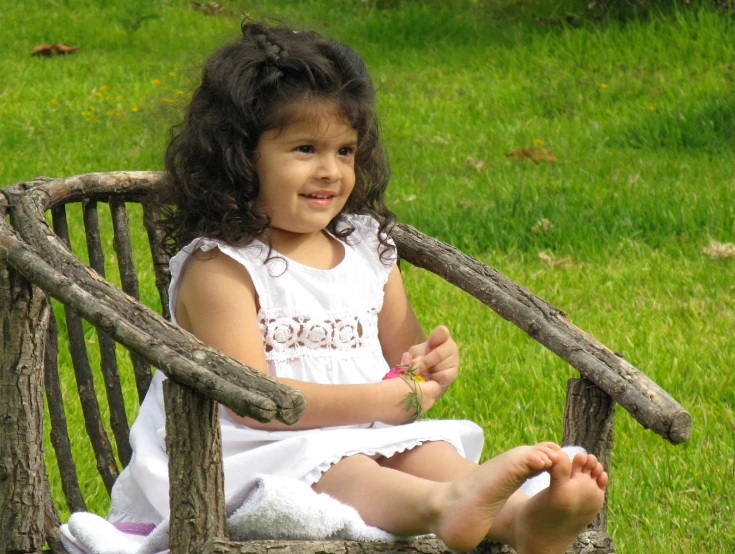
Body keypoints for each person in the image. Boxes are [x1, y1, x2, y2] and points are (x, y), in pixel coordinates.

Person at [108, 21, 608, 554]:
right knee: (347, 470)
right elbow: (253, 402)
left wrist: (429, 369)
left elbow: (402, 364)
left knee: (426, 451)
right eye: (305, 149)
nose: (331, 171)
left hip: (360, 434)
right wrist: (382, 399)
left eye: (345, 151)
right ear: (238, 157)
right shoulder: (223, 267)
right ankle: (443, 507)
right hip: (242, 453)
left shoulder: (366, 249)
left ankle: (522, 518)